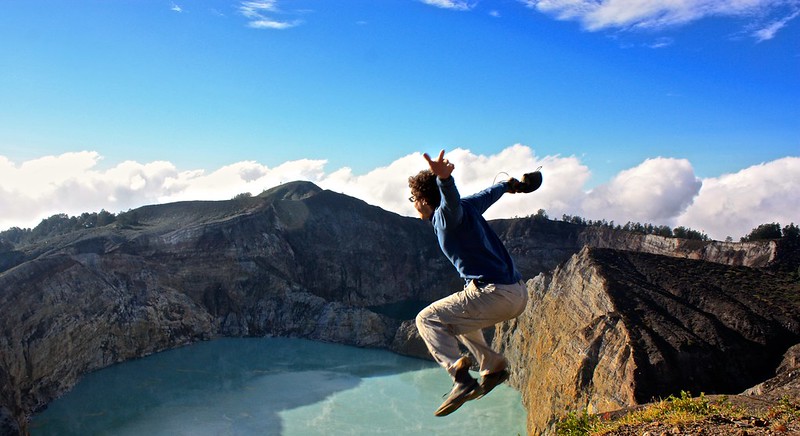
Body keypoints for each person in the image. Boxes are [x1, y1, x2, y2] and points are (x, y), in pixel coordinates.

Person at [408, 149, 541, 417]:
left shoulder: (445, 218)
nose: (413, 203)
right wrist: (511, 185)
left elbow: (451, 204)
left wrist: (445, 180)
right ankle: (493, 367)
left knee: (427, 319)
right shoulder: (469, 206)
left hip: (494, 294)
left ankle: (461, 379)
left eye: (413, 198)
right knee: (458, 319)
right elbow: (490, 193)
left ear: (423, 200)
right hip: (516, 292)